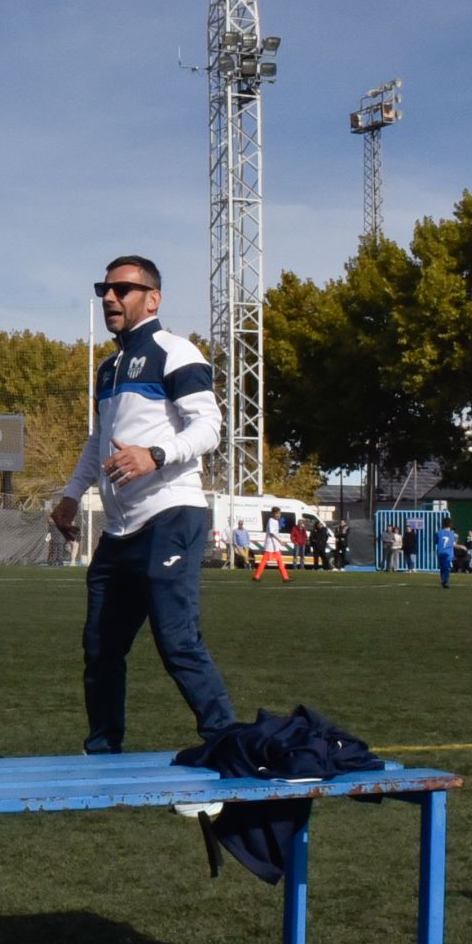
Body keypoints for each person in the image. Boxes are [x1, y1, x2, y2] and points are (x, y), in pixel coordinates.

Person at [50, 256, 235, 752]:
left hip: (170, 515)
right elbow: (98, 441)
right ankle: (103, 751)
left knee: (177, 640)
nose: (110, 298)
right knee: (100, 647)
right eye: (104, 289)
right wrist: (71, 494)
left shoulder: (176, 351)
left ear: (153, 299)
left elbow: (210, 427)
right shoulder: (108, 368)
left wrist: (156, 454)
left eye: (123, 289)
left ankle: (226, 742)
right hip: (119, 530)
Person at [254, 510, 290, 583]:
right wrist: (280, 541)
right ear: (273, 514)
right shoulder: (271, 520)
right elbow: (272, 533)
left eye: (279, 513)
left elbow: (275, 534)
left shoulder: (276, 521)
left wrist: (279, 542)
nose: (279, 515)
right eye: (277, 513)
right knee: (264, 562)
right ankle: (256, 576)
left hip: (275, 546)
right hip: (270, 546)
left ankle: (285, 577)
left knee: (280, 561)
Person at [436, 520, 457, 588]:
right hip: (448, 553)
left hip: (440, 552)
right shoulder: (452, 534)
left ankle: (444, 580)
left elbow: (436, 541)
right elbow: (453, 544)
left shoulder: (439, 533)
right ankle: (445, 581)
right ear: (450, 525)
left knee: (442, 567)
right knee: (447, 568)